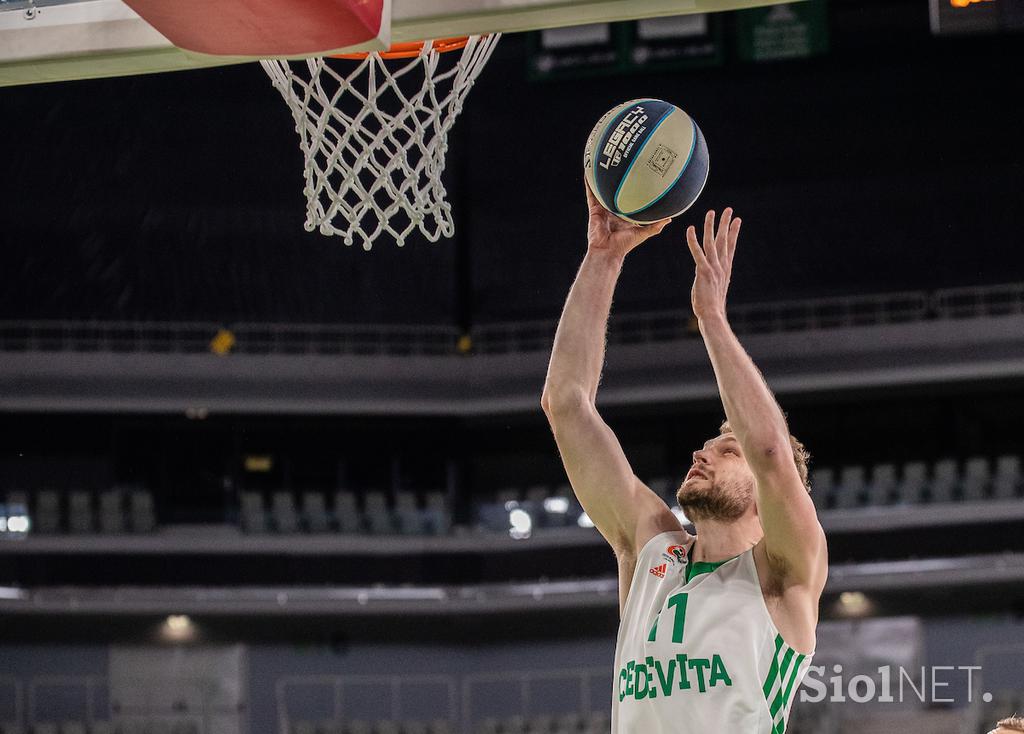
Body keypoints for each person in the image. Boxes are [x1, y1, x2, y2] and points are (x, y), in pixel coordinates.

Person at [541, 184, 827, 733]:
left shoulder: (783, 571)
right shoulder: (651, 546)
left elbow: (768, 449)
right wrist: (603, 257)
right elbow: (566, 404)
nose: (703, 451)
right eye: (708, 444)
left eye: (726, 448)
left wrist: (713, 321)